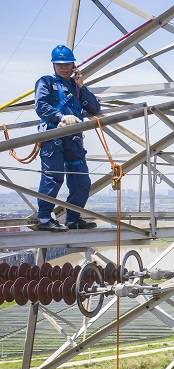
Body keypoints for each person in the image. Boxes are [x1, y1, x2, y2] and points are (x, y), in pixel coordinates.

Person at [34, 45, 100, 231]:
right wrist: (60, 117)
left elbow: (95, 108)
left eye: (67, 64)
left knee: (81, 181)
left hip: (74, 139)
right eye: (60, 64)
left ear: (73, 66)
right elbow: (41, 106)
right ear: (54, 65)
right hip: (53, 136)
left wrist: (81, 86)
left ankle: (73, 219)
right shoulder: (46, 82)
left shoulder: (76, 87)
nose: (64, 68)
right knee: (53, 177)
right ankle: (44, 219)